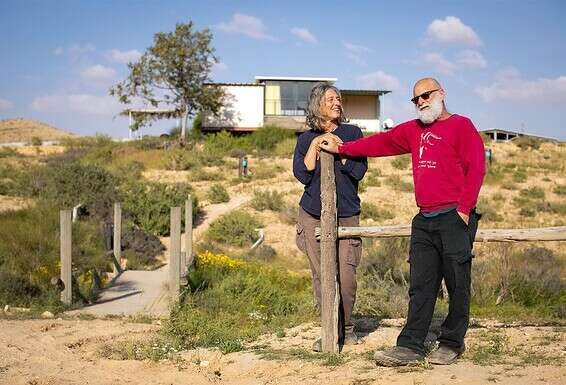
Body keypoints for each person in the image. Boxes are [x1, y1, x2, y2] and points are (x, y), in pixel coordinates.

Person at [320, 78, 486, 366]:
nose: (421, 101)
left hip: (453, 216)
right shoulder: (413, 130)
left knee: (457, 283)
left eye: (426, 95)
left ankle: (451, 343)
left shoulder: (462, 125)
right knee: (420, 285)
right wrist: (343, 149)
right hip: (423, 218)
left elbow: (476, 167)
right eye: (416, 99)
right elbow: (379, 143)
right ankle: (410, 346)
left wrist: (464, 209)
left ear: (441, 94)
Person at [293, 83, 368, 351]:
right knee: (321, 275)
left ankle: (347, 329)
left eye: (339, 98)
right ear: (318, 105)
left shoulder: (352, 133)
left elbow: (359, 171)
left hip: (347, 213)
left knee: (346, 275)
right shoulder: (304, 138)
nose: (337, 102)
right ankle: (328, 330)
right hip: (312, 214)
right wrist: (315, 145)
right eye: (331, 99)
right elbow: (302, 175)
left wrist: (340, 150)